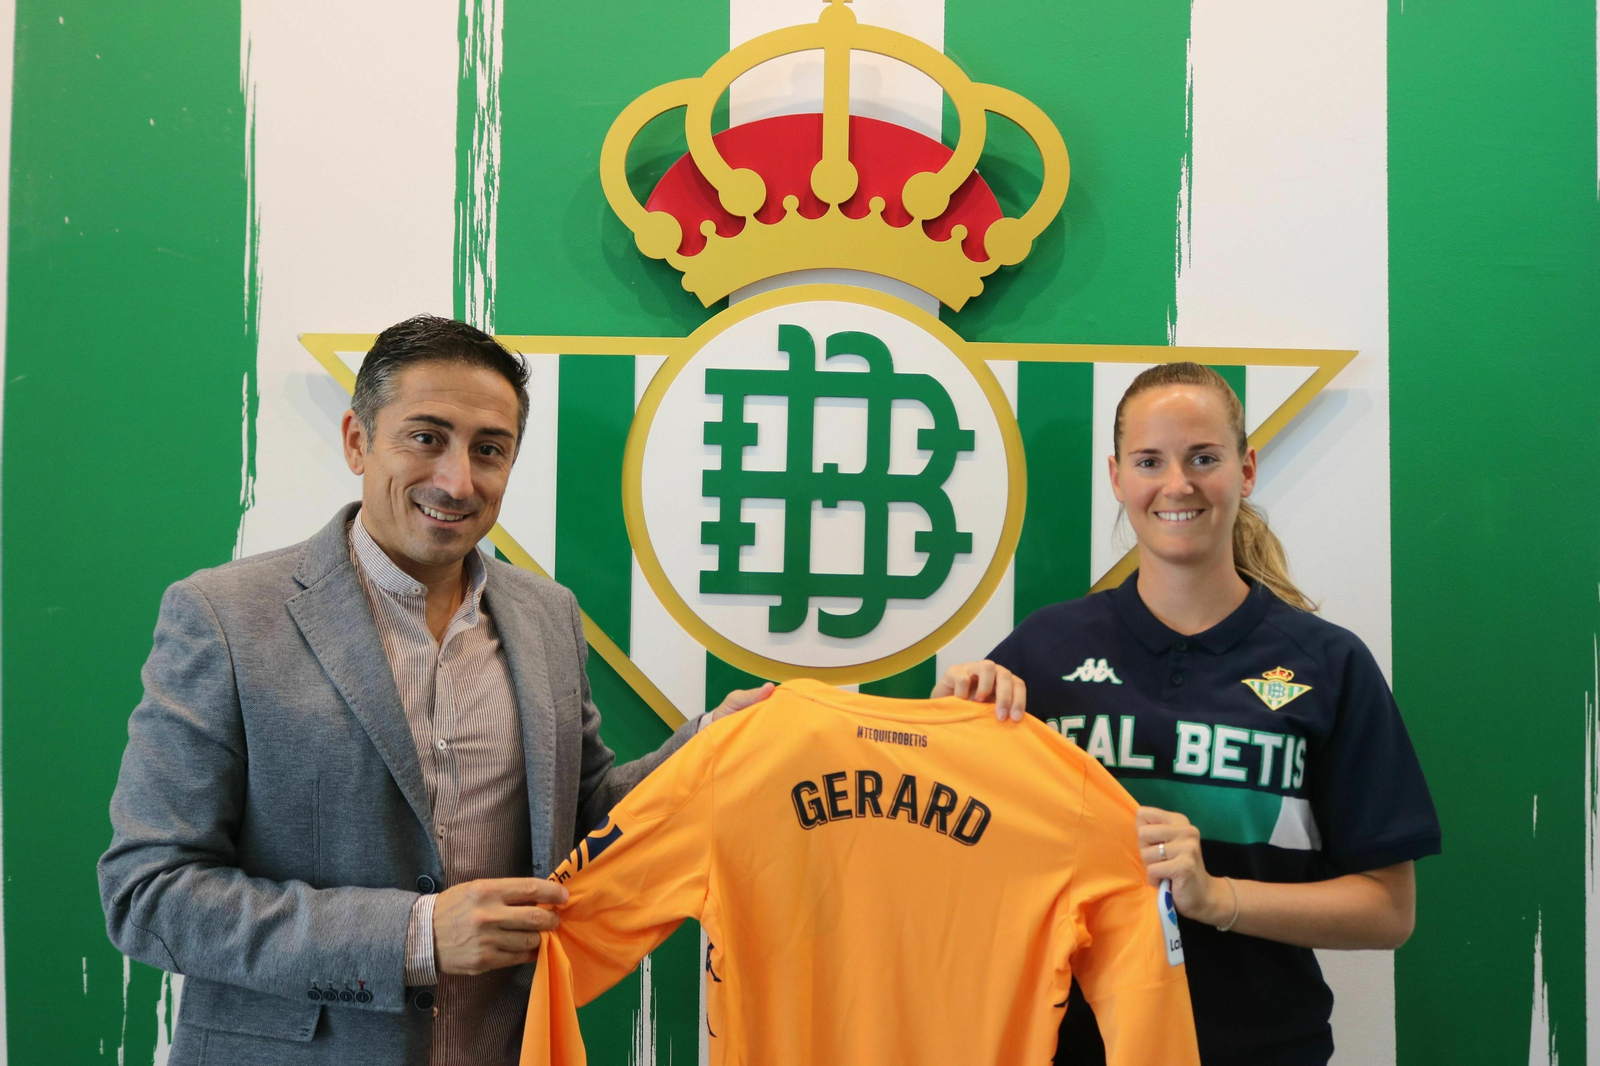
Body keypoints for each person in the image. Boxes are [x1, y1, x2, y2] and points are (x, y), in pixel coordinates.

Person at [98, 315, 770, 1066]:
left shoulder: (549, 617)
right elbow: (148, 894)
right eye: (426, 437)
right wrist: (414, 936)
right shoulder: (222, 618)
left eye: (490, 449)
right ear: (357, 440)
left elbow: (584, 823)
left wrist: (715, 747)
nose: (458, 481)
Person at [935, 362, 1439, 1064]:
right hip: (1072, 1046)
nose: (1178, 485)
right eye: (1150, 461)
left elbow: (1388, 912)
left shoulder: (1328, 664)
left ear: (1247, 469)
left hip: (1261, 1047)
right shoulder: (1045, 650)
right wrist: (949, 720)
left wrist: (1219, 897)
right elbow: (942, 838)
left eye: (1204, 457)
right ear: (1117, 477)